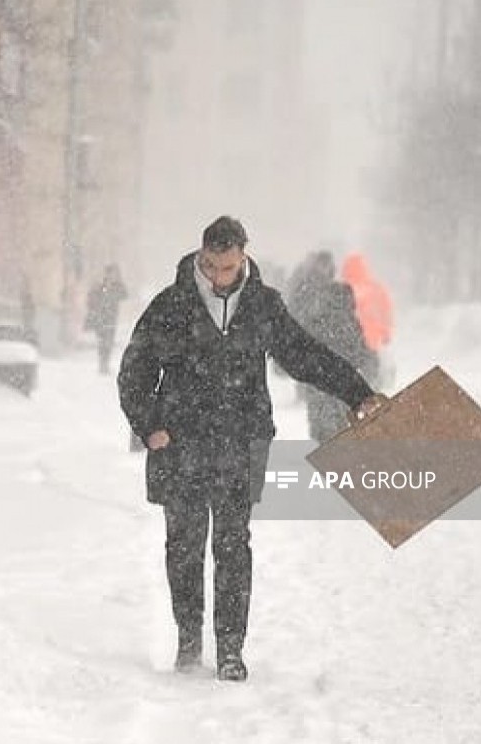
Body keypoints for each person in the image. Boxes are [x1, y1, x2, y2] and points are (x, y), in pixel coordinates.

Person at [117, 216, 384, 681]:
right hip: (179, 443)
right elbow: (134, 370)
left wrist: (357, 393)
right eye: (212, 266)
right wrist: (148, 425)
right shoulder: (171, 304)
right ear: (202, 256)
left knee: (233, 546)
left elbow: (305, 355)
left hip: (239, 442)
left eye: (227, 267)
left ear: (243, 257)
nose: (219, 277)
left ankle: (230, 650)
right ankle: (188, 640)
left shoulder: (262, 305)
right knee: (184, 545)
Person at [287, 250, 374, 440]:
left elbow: (353, 329)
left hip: (330, 366)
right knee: (329, 422)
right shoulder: (316, 294)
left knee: (332, 422)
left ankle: (336, 454)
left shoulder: (323, 294)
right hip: (325, 366)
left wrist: (363, 355)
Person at [341, 252, 395, 390]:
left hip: (352, 342)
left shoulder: (343, 290)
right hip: (375, 340)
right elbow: (386, 311)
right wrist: (387, 332)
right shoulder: (376, 288)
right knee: (378, 376)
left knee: (353, 375)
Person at [85, 263, 127, 375]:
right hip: (101, 318)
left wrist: (119, 282)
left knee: (109, 342)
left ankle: (105, 364)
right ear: (107, 273)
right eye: (112, 273)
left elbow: (125, 295)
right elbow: (91, 299)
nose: (113, 276)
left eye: (115, 274)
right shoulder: (100, 285)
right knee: (102, 342)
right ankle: (102, 365)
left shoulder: (117, 286)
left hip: (112, 319)